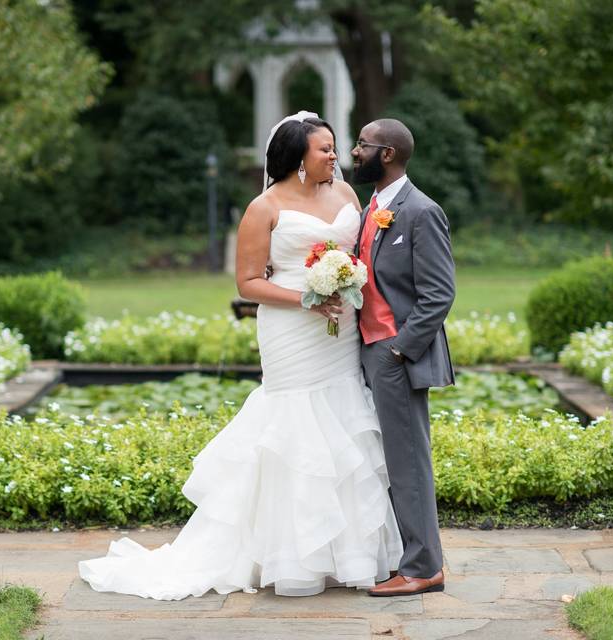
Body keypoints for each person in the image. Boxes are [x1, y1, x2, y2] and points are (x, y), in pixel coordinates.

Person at [78, 112, 402, 600]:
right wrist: (308, 299)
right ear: (297, 159)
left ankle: (348, 554)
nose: (335, 156)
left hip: (342, 332)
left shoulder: (347, 196)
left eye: (335, 147)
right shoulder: (264, 207)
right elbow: (248, 282)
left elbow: (358, 255)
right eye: (324, 149)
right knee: (294, 427)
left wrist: (346, 282)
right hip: (293, 329)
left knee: (343, 420)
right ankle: (287, 557)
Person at [350, 118, 456, 597]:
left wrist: (398, 350)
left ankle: (423, 567)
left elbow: (439, 294)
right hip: (366, 352)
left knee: (408, 461)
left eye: (362, 145)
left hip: (396, 357)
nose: (354, 152)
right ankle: (402, 557)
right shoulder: (373, 207)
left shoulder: (421, 211)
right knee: (385, 460)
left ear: (386, 153)